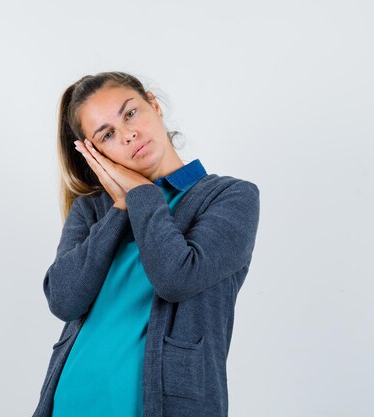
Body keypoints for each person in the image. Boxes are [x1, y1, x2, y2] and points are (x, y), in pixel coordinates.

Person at [32, 71, 261, 417]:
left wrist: (140, 194)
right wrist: (120, 208)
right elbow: (63, 300)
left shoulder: (230, 197)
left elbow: (176, 278)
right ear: (95, 153)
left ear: (153, 105)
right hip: (71, 403)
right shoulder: (93, 210)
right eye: (107, 135)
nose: (128, 134)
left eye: (130, 113)